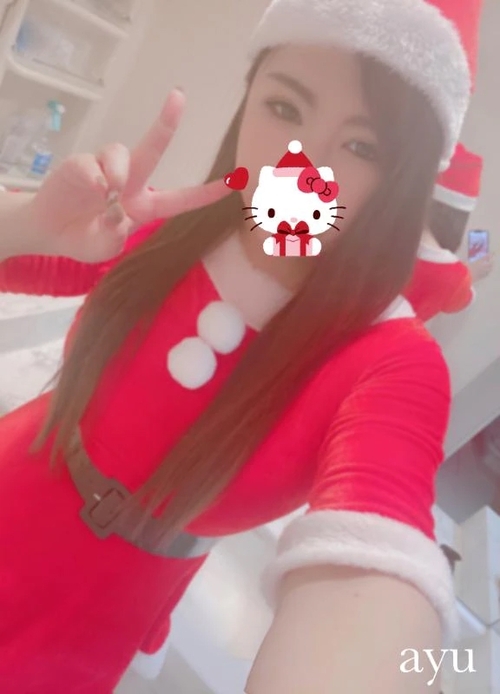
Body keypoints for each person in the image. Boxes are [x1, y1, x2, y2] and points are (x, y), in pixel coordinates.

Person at [0, 0, 484, 692]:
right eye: (284, 109)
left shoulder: (390, 360)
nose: (299, 165)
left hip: (92, 615)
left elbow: (376, 564)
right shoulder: (167, 227)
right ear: (248, 100)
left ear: (401, 179)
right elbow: (18, 262)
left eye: (363, 147)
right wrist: (30, 219)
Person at [404, 142, 494, 321]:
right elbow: (461, 300)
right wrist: (470, 274)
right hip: (393, 339)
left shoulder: (381, 236)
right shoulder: (453, 277)